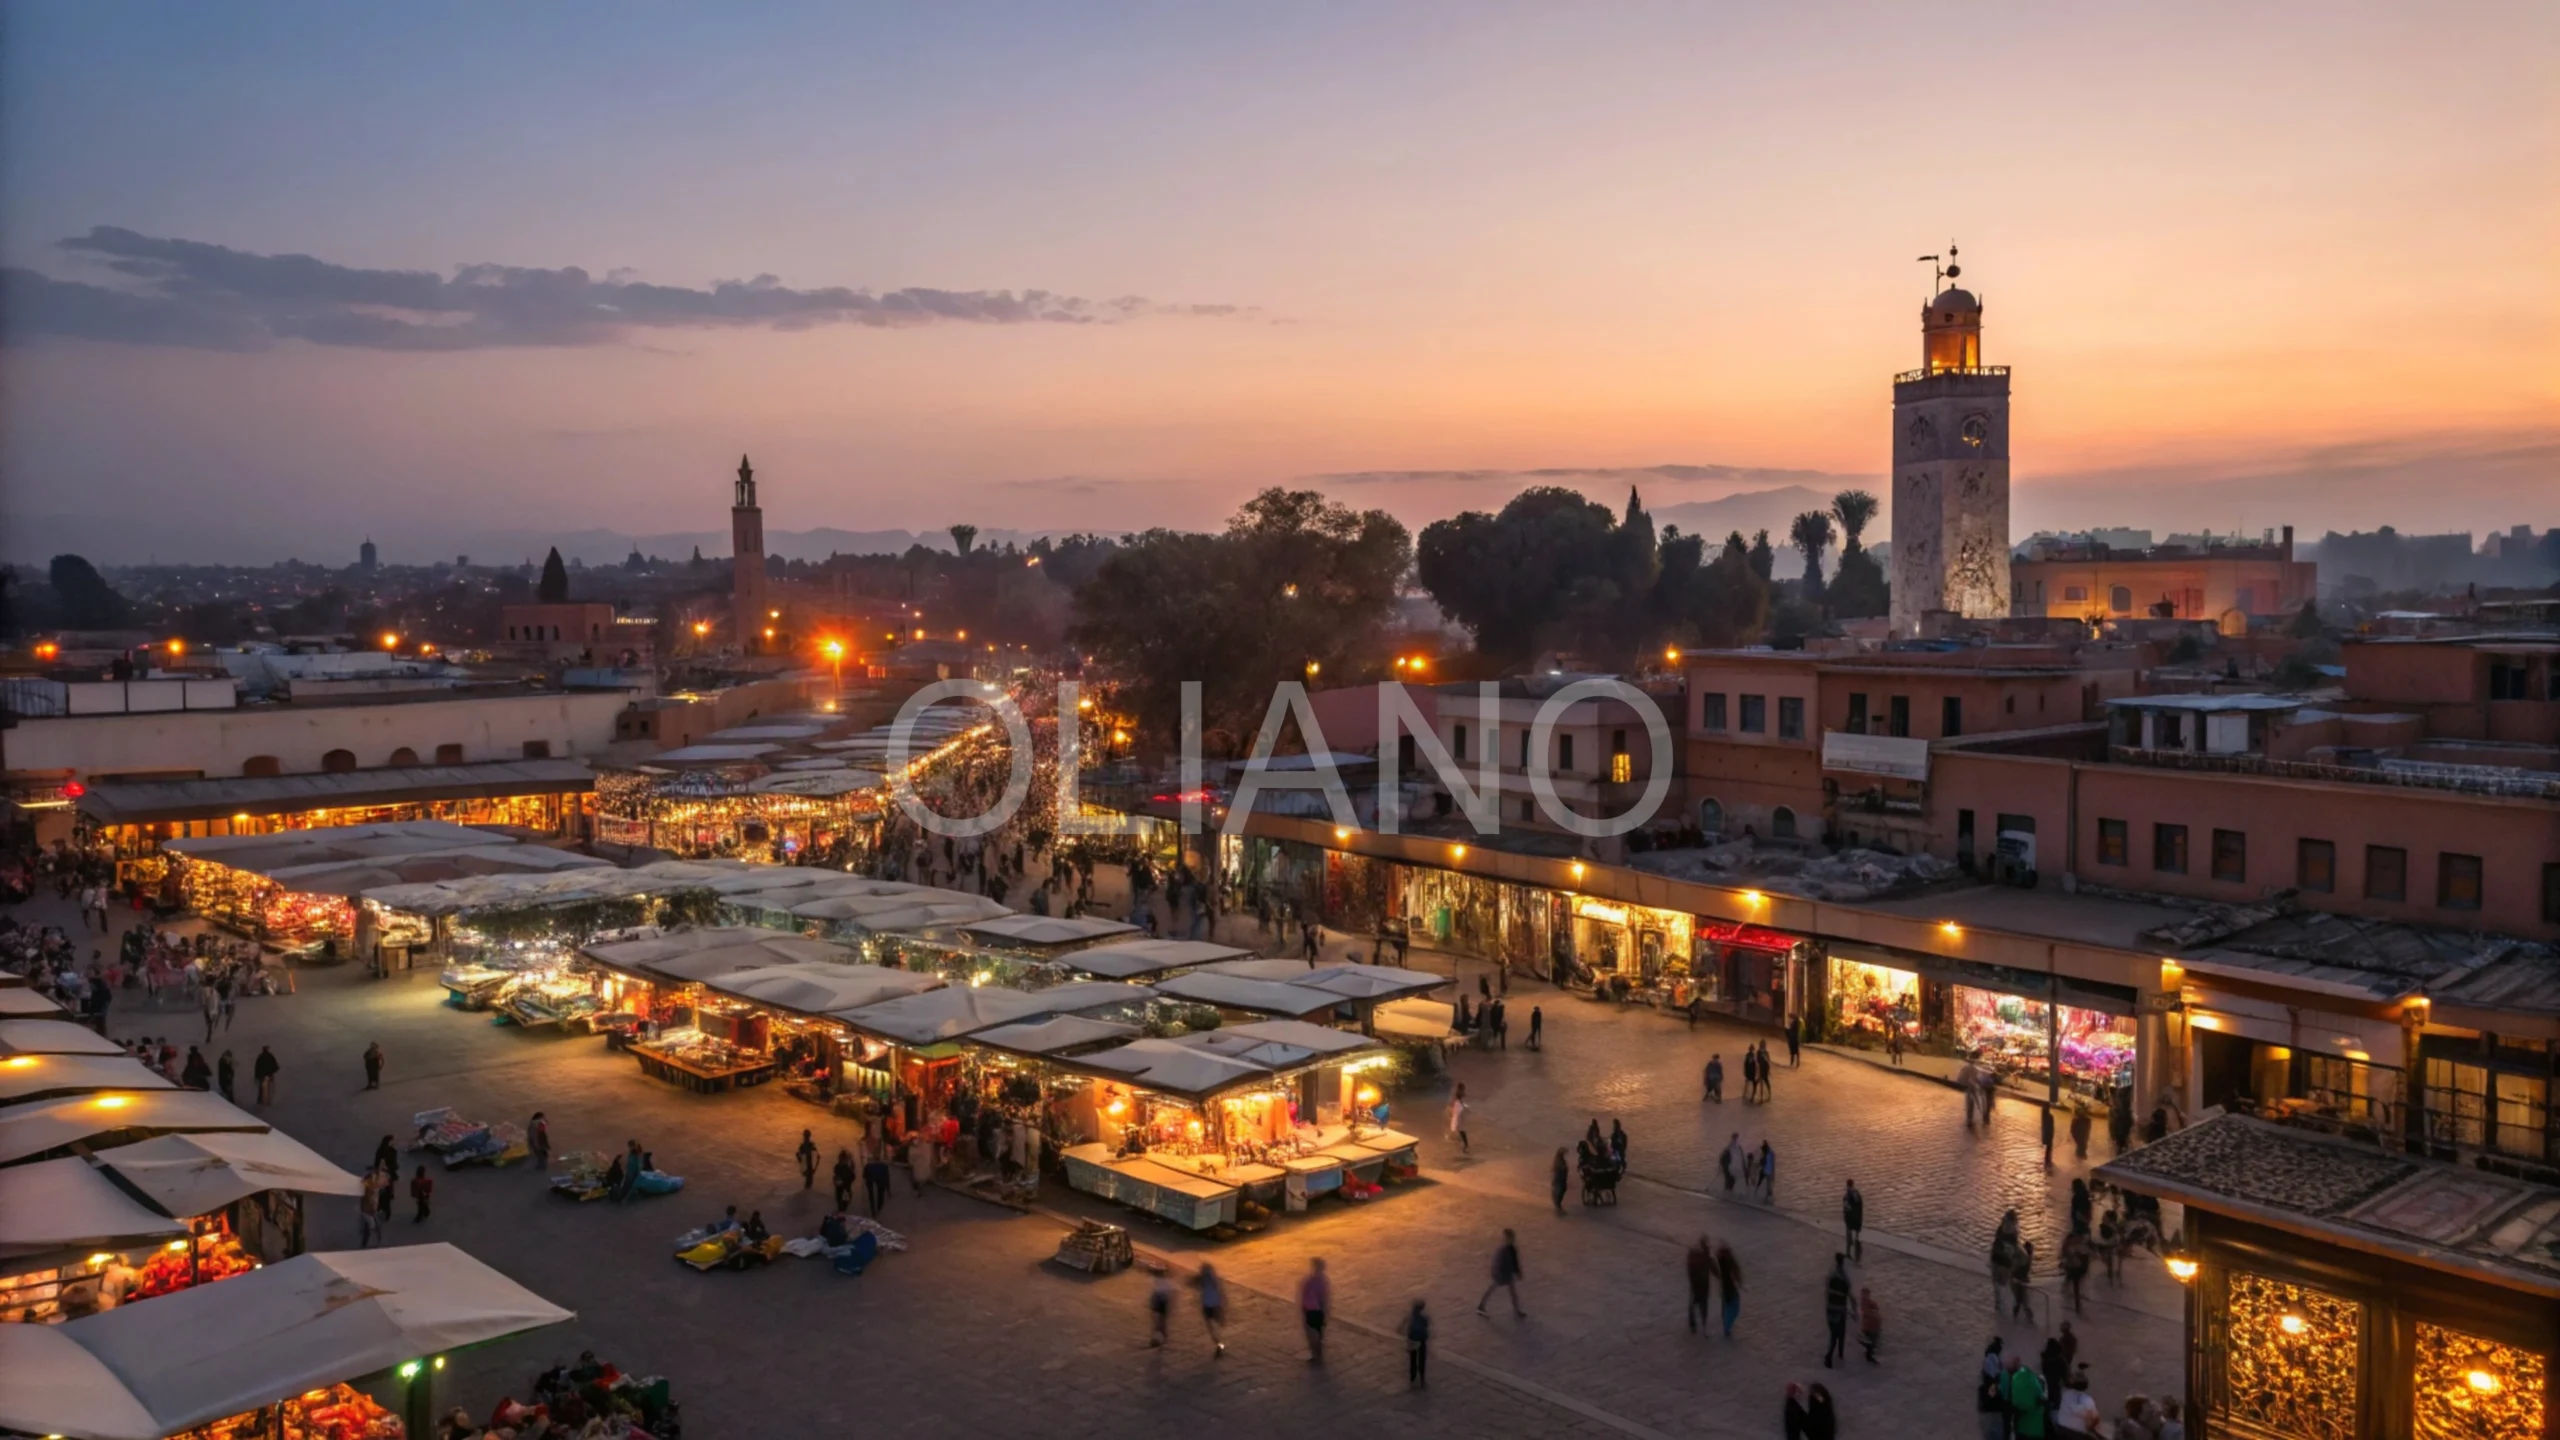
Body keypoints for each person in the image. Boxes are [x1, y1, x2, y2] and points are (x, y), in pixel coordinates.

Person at [1476, 1228, 1525, 1317]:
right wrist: (1517, 1272)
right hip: (1502, 1274)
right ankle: (1481, 1305)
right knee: (1493, 1289)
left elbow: (1514, 1262)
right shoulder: (1504, 1250)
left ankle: (1517, 1311)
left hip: (1506, 1274)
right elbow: (1500, 1263)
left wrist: (1518, 1272)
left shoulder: (1509, 1249)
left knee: (1511, 1292)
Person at [2007, 1354, 2050, 1438]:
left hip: (2022, 1427)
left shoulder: (2015, 1377)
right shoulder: (2036, 1378)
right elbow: (2043, 1399)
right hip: (2034, 1427)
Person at [1977, 1338, 2011, 1440]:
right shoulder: (1994, 1381)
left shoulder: (1989, 1362)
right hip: (1994, 1409)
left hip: (1990, 1410)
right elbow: (1993, 1391)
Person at [1821, 1254, 1852, 1368]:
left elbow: (1826, 1290)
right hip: (1840, 1310)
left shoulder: (1831, 1275)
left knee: (1833, 1333)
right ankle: (1833, 1355)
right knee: (1839, 1333)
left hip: (1830, 1309)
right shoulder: (1845, 1278)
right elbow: (1848, 1294)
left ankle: (1836, 1354)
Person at [1298, 1257, 1330, 1363]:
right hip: (1318, 1310)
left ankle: (1315, 1356)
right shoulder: (1323, 1281)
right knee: (1318, 1334)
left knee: (1311, 1335)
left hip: (1310, 1309)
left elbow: (1304, 1295)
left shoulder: (1309, 1280)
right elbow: (1324, 1297)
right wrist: (1326, 1312)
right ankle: (1318, 1355)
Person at [1195, 1263, 1228, 1356]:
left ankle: (1219, 1343)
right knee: (1215, 1325)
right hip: (1214, 1305)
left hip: (1209, 1305)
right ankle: (1220, 1343)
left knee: (1212, 1327)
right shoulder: (1214, 1281)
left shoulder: (1204, 1281)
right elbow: (1221, 1293)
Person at [2055, 1370, 2101, 1436]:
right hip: (2077, 1434)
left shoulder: (2065, 1394)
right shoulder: (2087, 1399)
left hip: (2061, 1431)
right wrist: (2090, 1429)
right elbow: (2095, 1417)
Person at [1685, 1236, 1715, 1333]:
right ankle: (1703, 1323)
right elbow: (1713, 1268)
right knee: (1703, 1305)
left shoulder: (1693, 1255)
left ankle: (1693, 1324)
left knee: (1693, 1304)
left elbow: (1689, 1269)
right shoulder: (1706, 1257)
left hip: (1695, 1284)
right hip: (1703, 1285)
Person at [1714, 1240, 1742, 1336]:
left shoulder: (1724, 1262)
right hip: (1728, 1288)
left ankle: (1726, 1323)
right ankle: (1726, 1326)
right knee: (1734, 1307)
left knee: (1727, 1305)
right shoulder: (1726, 1262)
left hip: (1726, 1288)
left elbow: (1717, 1254)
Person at [1402, 1299, 1430, 1387]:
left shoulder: (1410, 1317)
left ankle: (1412, 1377)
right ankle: (1422, 1379)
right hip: (1421, 1340)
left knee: (1412, 1360)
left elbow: (1400, 1328)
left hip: (1413, 1340)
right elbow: (1426, 1327)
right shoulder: (1424, 1318)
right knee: (1422, 1360)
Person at [358, 1167, 385, 1248]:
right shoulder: (367, 1187)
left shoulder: (374, 1185)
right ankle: (367, 1242)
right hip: (368, 1211)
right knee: (371, 1227)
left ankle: (370, 1241)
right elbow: (367, 1199)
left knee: (374, 1227)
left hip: (371, 1210)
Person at [1148, 1269, 1174, 1347]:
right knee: (1161, 1322)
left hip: (1159, 1303)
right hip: (1162, 1304)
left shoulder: (1158, 1282)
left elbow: (1155, 1294)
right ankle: (1162, 1337)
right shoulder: (1167, 1283)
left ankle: (1159, 1337)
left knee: (1158, 1322)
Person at [863, 1148, 893, 1216]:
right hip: (880, 1183)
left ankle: (873, 1210)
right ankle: (878, 1209)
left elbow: (864, 1176)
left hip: (871, 1183)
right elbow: (886, 1178)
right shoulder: (884, 1166)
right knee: (880, 1196)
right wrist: (888, 1189)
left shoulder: (868, 1166)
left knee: (872, 1197)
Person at [1857, 1285, 1881, 1363]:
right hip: (1869, 1326)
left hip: (1872, 1325)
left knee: (1873, 1339)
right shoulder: (1863, 1303)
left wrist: (1875, 1309)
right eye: (1865, 1294)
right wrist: (1873, 1312)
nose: (1867, 1296)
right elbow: (1865, 1311)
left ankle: (1870, 1351)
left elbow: (1875, 1306)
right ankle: (1869, 1355)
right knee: (1871, 1340)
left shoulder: (1867, 1301)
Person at [1842, 1178, 1865, 1259]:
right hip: (1857, 1217)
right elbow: (1860, 1204)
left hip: (1850, 1217)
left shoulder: (1848, 1195)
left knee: (1849, 1231)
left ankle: (1848, 1252)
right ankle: (1856, 1241)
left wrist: (1845, 1216)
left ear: (1847, 1185)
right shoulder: (1856, 1193)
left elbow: (1846, 1207)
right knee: (1856, 1231)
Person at [1446, 1084, 1469, 1155]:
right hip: (1459, 1119)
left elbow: (1458, 1103)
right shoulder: (1459, 1096)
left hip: (1459, 1117)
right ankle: (1464, 1145)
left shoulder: (1458, 1097)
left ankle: (1463, 1145)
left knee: (1459, 1129)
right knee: (1461, 1130)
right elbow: (1460, 1103)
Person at [1550, 1148, 1569, 1214]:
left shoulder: (1559, 1159)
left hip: (1561, 1178)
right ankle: (1558, 1206)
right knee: (1560, 1191)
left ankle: (1558, 1206)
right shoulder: (1559, 1160)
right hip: (1559, 1178)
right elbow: (1559, 1168)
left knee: (1562, 1190)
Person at [2041, 1103, 2057, 1168]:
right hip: (2049, 1135)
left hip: (2045, 1135)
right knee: (2049, 1148)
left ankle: (2046, 1162)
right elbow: (2051, 1128)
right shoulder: (2050, 1117)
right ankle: (2048, 1162)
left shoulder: (2043, 1116)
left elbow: (2044, 1127)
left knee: (2048, 1149)